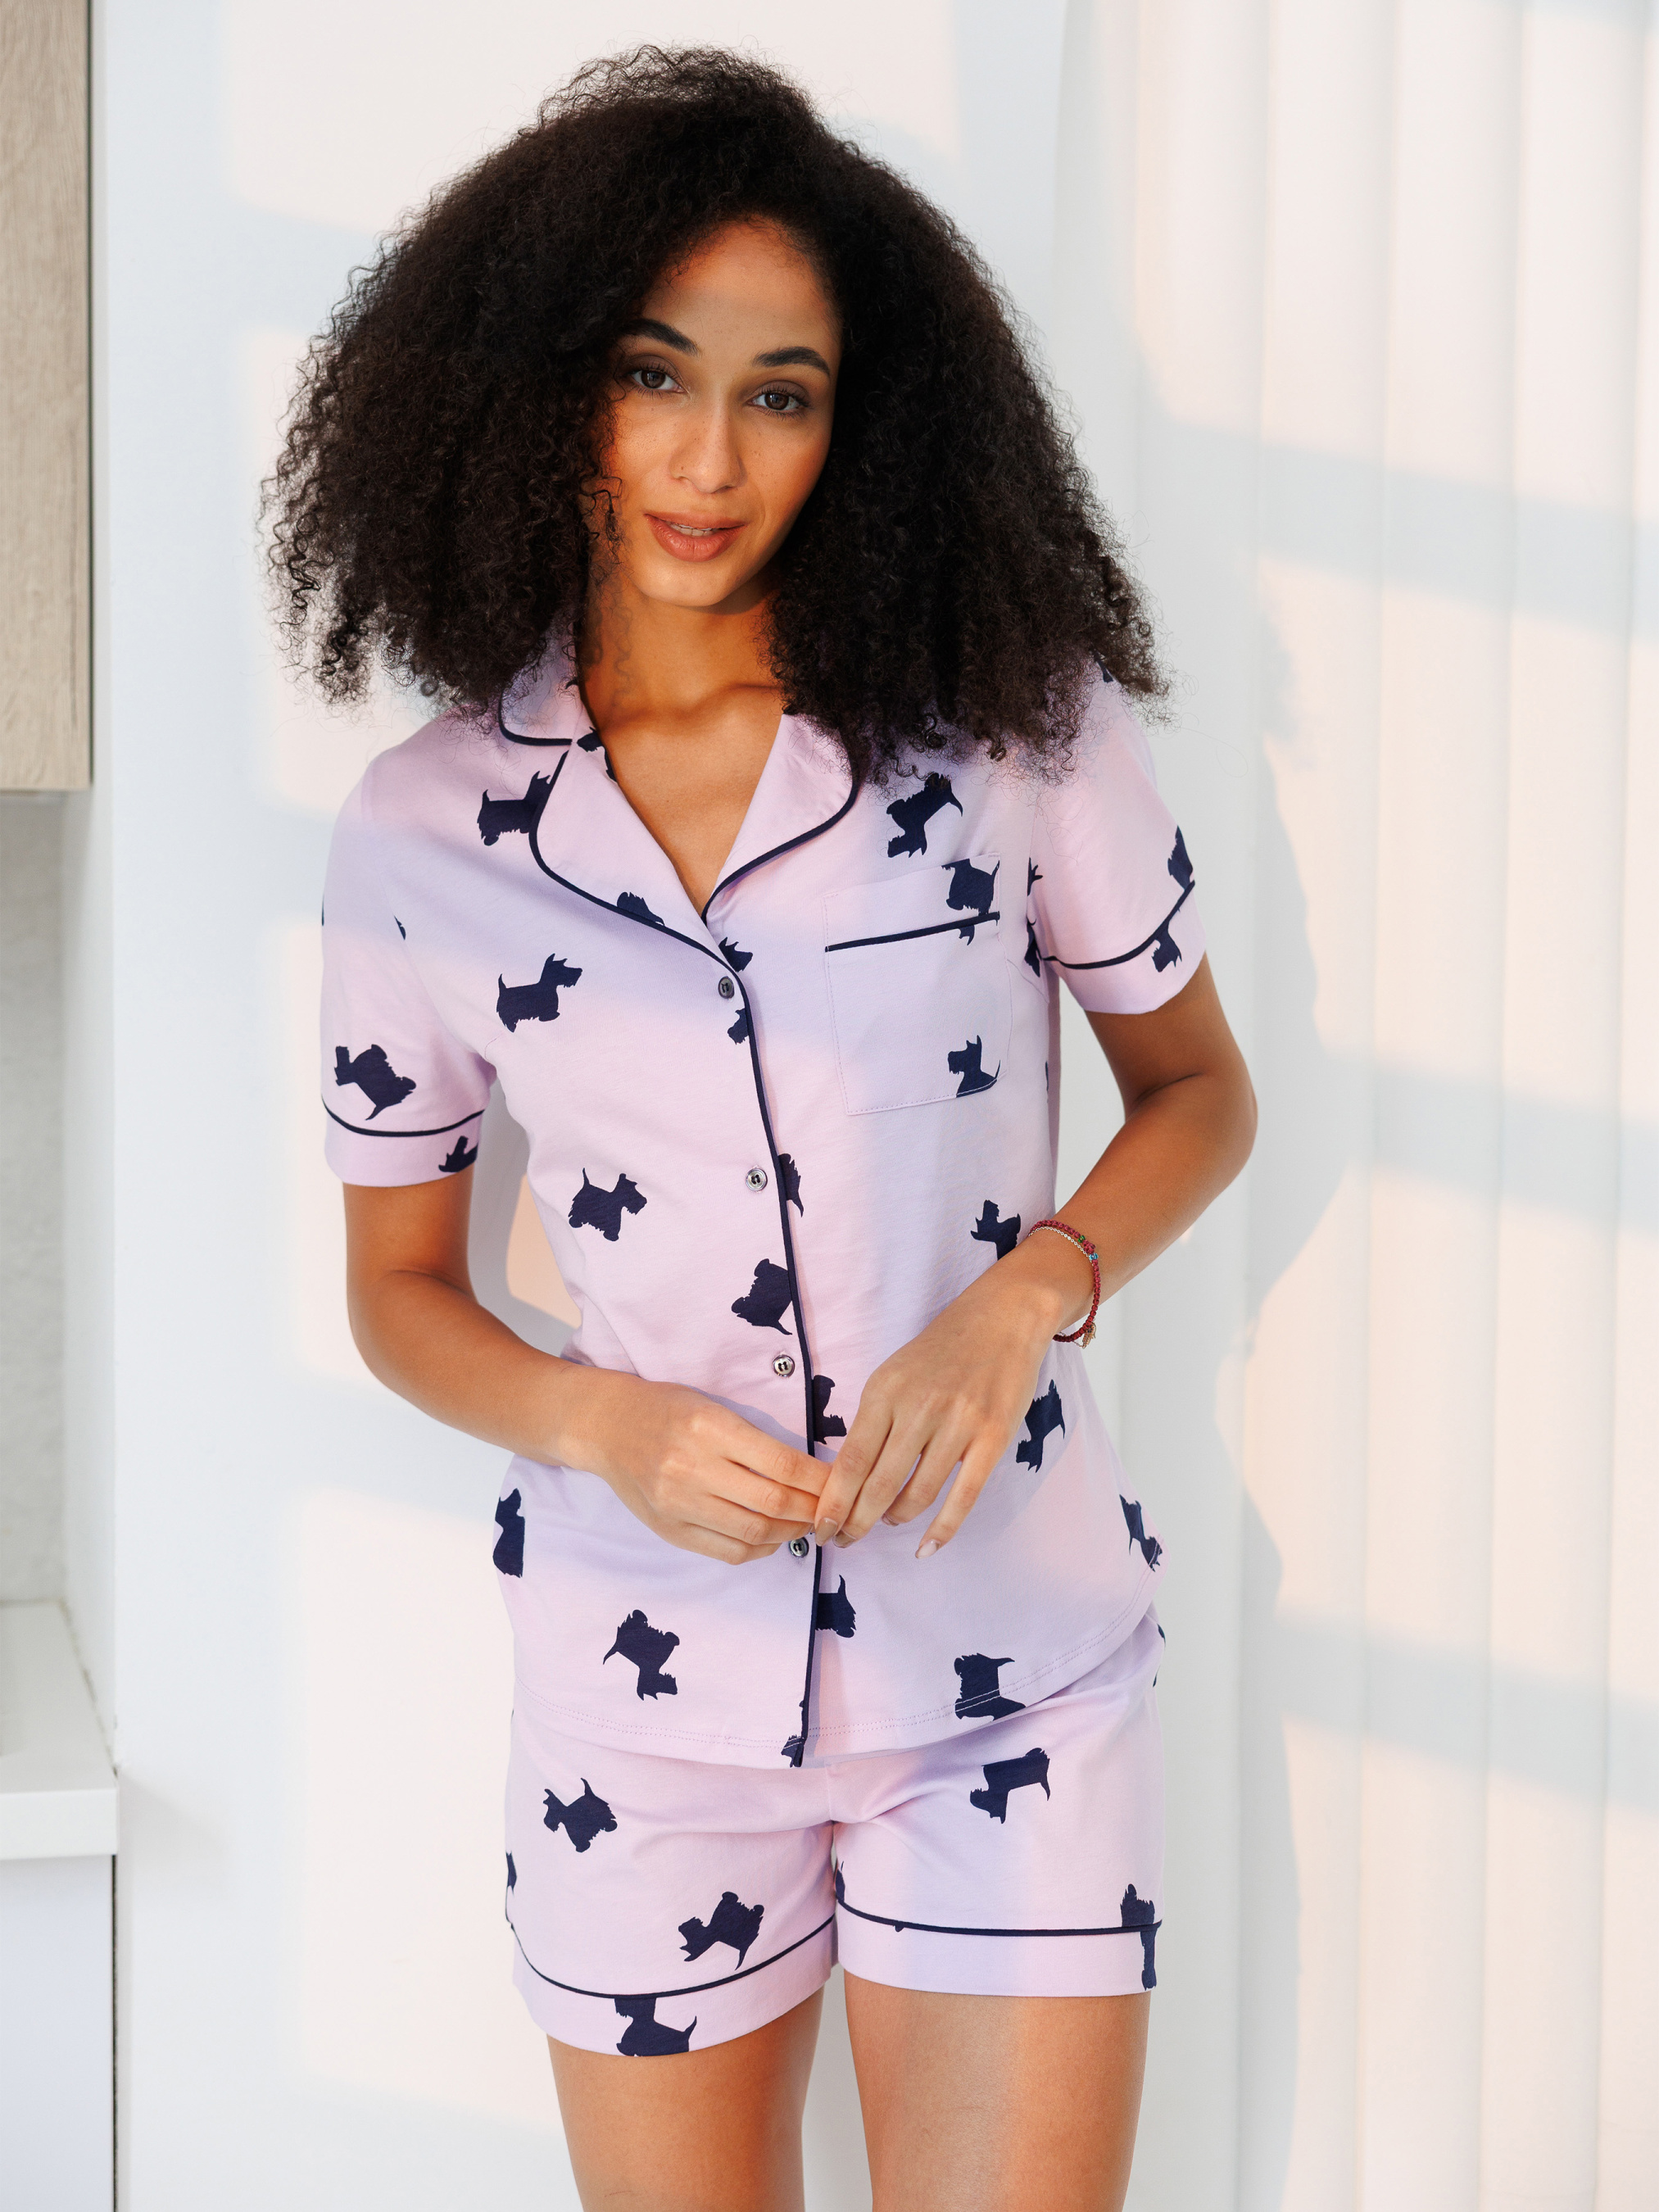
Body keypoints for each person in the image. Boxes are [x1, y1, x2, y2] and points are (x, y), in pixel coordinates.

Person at [270, 46, 1255, 2212]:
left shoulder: (1011, 741)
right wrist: (602, 1424)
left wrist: (1023, 1300)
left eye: (780, 393)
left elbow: (1198, 1089)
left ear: (861, 425)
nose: (708, 459)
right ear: (544, 387)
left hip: (1009, 1669)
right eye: (654, 374)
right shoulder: (424, 835)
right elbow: (397, 1291)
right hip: (642, 1715)